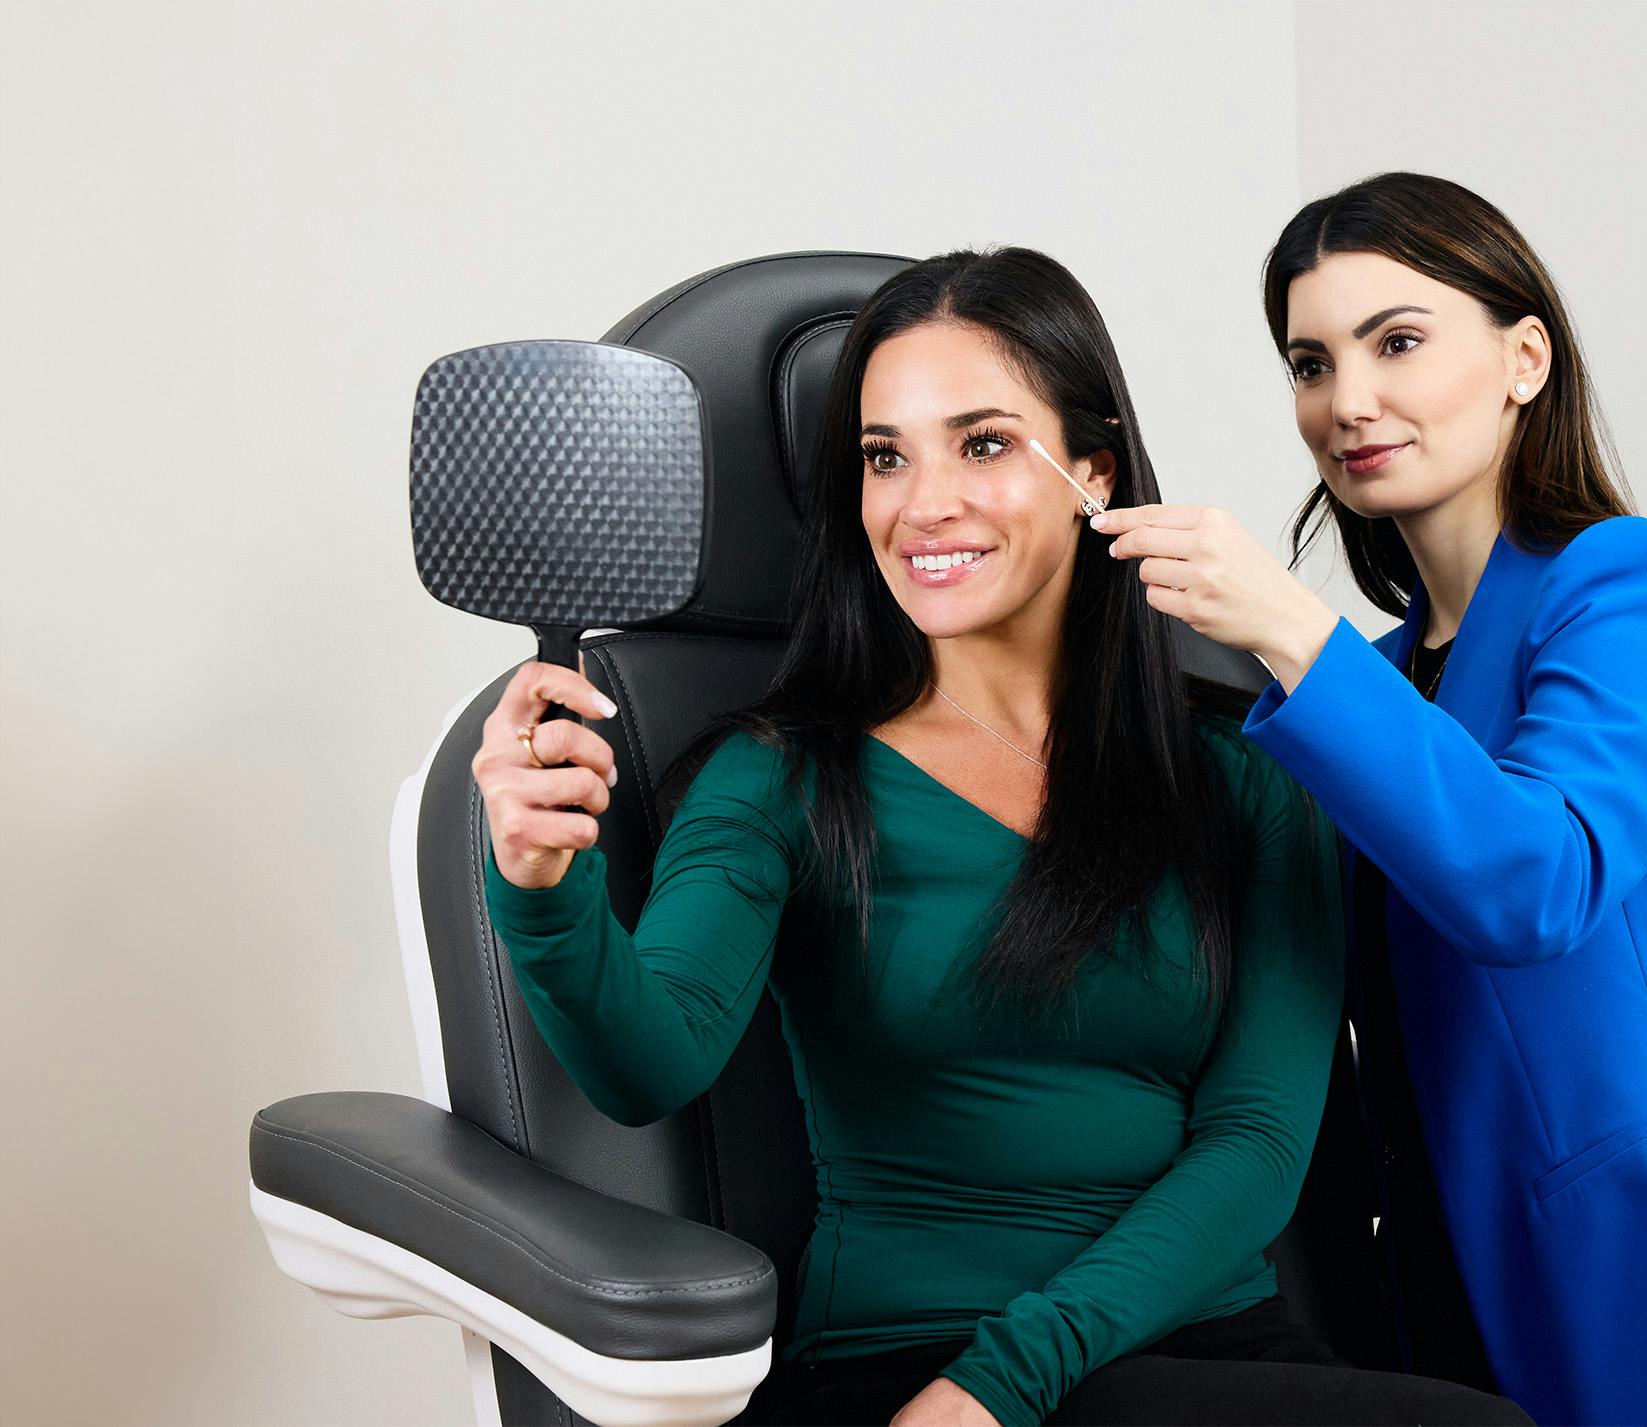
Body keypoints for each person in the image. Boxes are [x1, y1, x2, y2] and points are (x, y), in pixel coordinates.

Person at [474, 246, 1530, 1427]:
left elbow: (1257, 1140)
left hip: (1171, 1345)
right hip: (897, 1359)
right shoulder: (782, 775)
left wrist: (1002, 1383)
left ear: (1093, 465)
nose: (924, 504)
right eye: (884, 457)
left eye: (981, 443)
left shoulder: (1245, 774)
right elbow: (647, 1059)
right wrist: (541, 883)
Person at [1093, 173, 1647, 1425]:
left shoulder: (1623, 580)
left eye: (1396, 341)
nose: (1346, 401)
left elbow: (1537, 882)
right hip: (1437, 1262)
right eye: (1309, 362)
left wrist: (1295, 634)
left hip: (1632, 1249)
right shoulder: (1386, 676)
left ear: (1524, 357)